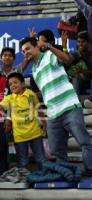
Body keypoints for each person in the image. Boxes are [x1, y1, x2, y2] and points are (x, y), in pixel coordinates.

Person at [20, 37, 92, 176]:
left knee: (84, 141)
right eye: (23, 51)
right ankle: (66, 174)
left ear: (36, 46)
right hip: (53, 114)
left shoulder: (49, 55)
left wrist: (48, 46)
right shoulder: (34, 70)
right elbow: (47, 89)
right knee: (56, 150)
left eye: (28, 48)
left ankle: (90, 169)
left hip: (70, 107)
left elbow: (68, 60)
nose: (25, 53)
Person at [0, 72, 46, 169]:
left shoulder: (30, 94)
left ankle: (43, 179)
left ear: (23, 84)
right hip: (19, 137)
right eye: (10, 84)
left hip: (35, 133)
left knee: (41, 159)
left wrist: (44, 122)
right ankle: (24, 180)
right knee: (23, 162)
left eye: (15, 82)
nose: (13, 85)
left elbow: (38, 108)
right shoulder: (9, 98)